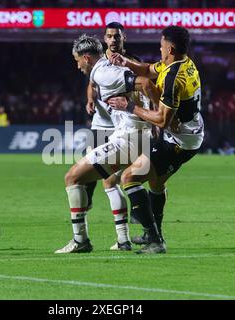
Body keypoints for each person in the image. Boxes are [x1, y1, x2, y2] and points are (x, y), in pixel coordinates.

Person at [54, 34, 160, 254]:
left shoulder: (104, 72)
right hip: (133, 136)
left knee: (72, 177)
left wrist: (156, 115)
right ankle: (122, 240)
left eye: (77, 61)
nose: (77, 66)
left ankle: (80, 240)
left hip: (130, 138)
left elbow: (146, 82)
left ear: (86, 57)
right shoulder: (100, 72)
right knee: (110, 182)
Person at [107, 26, 204, 253]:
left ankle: (155, 240)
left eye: (161, 45)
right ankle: (154, 233)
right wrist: (126, 62)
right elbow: (150, 69)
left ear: (169, 48)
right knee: (156, 182)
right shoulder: (184, 63)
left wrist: (129, 106)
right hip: (187, 135)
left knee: (129, 177)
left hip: (179, 142)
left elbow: (161, 120)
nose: (159, 49)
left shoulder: (173, 78)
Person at [84, 22, 144, 251]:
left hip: (124, 127)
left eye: (116, 36)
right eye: (109, 36)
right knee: (89, 174)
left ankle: (135, 223)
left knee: (118, 179)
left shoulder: (131, 62)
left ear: (123, 38)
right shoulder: (99, 63)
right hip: (101, 125)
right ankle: (85, 208)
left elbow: (144, 85)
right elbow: (91, 84)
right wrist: (90, 99)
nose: (113, 40)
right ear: (104, 39)